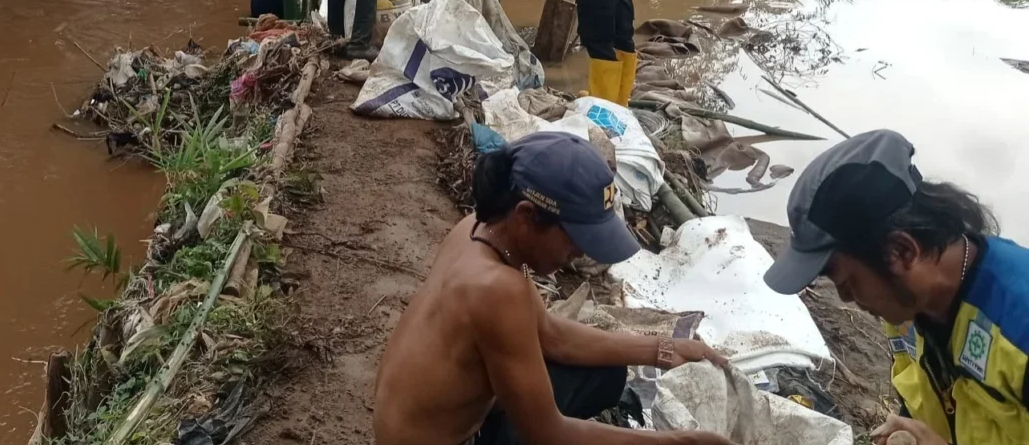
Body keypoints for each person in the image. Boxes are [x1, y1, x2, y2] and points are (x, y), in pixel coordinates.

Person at [374, 131, 734, 445]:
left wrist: (664, 349)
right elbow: (548, 435)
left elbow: (549, 334)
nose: (580, 252)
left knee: (606, 374)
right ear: (527, 216)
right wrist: (682, 441)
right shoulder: (498, 290)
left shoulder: (480, 232)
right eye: (576, 238)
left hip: (438, 426)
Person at [763, 130, 1029, 445]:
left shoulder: (1018, 326)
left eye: (848, 283)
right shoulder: (905, 307)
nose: (848, 299)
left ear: (902, 252)